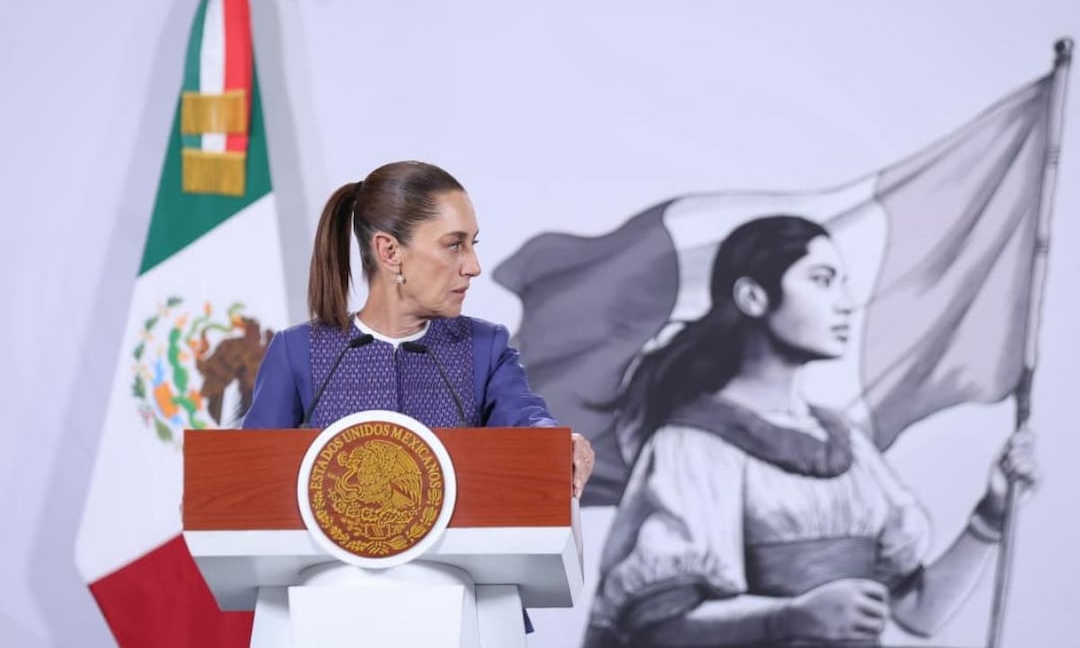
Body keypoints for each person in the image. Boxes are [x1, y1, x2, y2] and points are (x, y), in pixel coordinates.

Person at [583, 215, 1038, 647]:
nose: (844, 301)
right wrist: (790, 616)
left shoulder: (848, 443)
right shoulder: (693, 444)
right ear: (753, 298)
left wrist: (991, 515)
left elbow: (919, 611)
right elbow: (657, 627)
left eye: (842, 282)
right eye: (821, 280)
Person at [243, 160, 595, 498]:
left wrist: (557, 444)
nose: (473, 266)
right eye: (455, 245)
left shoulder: (485, 350)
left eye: (473, 244)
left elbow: (527, 425)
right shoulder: (298, 353)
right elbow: (248, 473)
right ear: (390, 251)